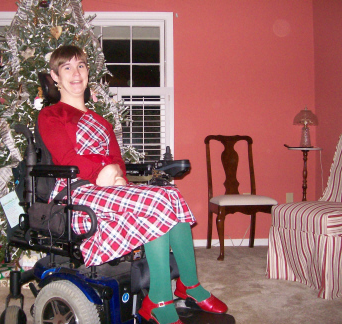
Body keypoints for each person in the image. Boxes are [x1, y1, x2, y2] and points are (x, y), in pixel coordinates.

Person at [38, 45, 227, 324]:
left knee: (169, 195)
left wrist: (118, 177)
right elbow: (67, 158)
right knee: (157, 204)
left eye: (81, 66)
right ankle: (160, 299)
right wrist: (101, 172)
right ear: (55, 77)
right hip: (74, 192)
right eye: (67, 68)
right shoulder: (51, 115)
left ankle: (189, 285)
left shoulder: (101, 122)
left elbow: (117, 160)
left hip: (108, 189)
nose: (75, 73)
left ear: (88, 72)